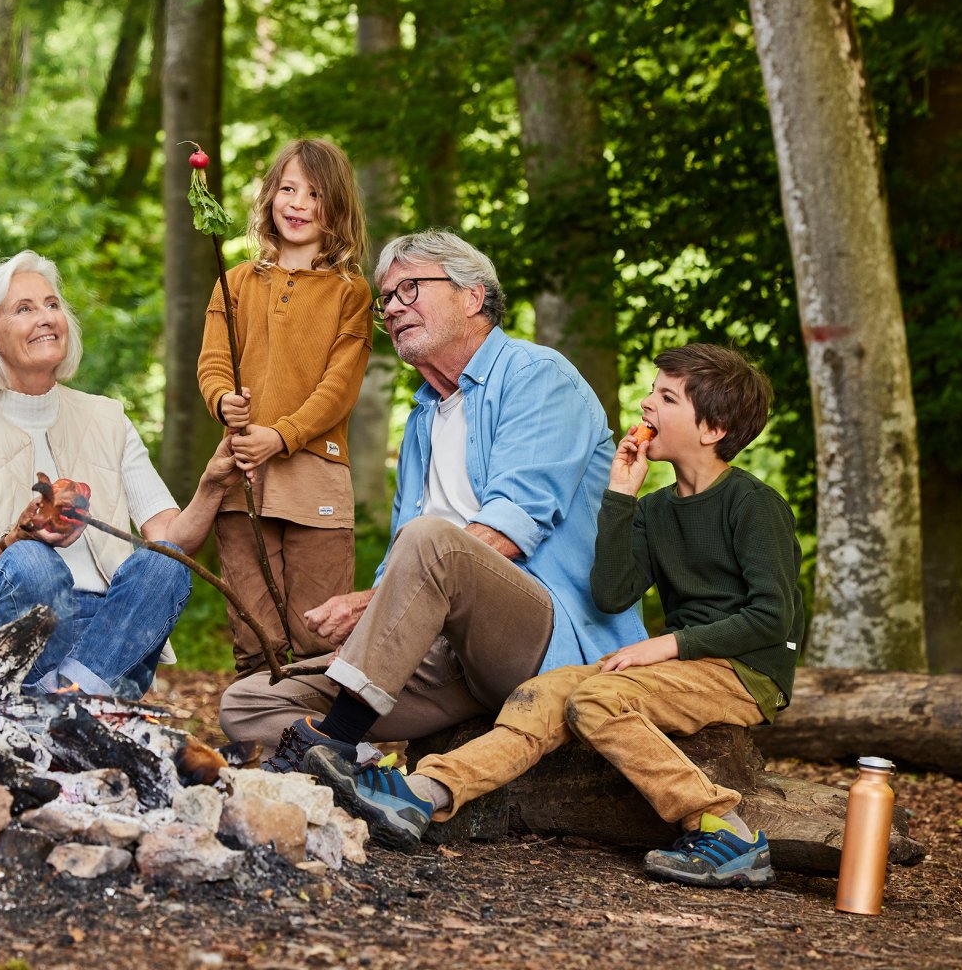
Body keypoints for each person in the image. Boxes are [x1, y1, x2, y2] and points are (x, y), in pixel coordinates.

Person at [307, 343, 803, 889]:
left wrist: (666, 645)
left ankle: (724, 827)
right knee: (547, 692)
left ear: (713, 428)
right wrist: (619, 497)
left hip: (745, 673)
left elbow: (770, 618)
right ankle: (424, 794)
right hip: (686, 666)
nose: (646, 405)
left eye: (666, 397)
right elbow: (612, 593)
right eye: (652, 391)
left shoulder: (753, 504)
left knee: (594, 699)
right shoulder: (656, 510)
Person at [218, 230, 645, 769]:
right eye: (386, 299)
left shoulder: (539, 377)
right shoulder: (423, 418)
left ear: (472, 297)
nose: (393, 308)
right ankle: (365, 771)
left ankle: (340, 735)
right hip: (445, 656)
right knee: (249, 701)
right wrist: (371, 611)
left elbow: (507, 530)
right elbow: (407, 559)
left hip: (541, 641)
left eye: (410, 289)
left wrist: (375, 602)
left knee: (431, 540)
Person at [0, 250, 240, 698]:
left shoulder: (107, 418)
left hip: (110, 634)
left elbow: (172, 536)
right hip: (8, 638)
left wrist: (211, 485)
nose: (46, 317)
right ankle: (81, 699)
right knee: (32, 562)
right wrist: (15, 540)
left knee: (164, 562)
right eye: (24, 309)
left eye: (52, 305)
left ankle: (68, 697)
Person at [197, 139, 373, 674]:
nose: (297, 203)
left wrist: (284, 434)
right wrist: (224, 401)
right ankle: (259, 742)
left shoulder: (350, 292)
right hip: (243, 469)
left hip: (314, 471)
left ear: (336, 208)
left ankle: (318, 738)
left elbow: (338, 386)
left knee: (318, 628)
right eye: (288, 188)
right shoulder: (234, 282)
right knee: (254, 629)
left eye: (314, 194)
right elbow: (213, 364)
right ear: (270, 196)